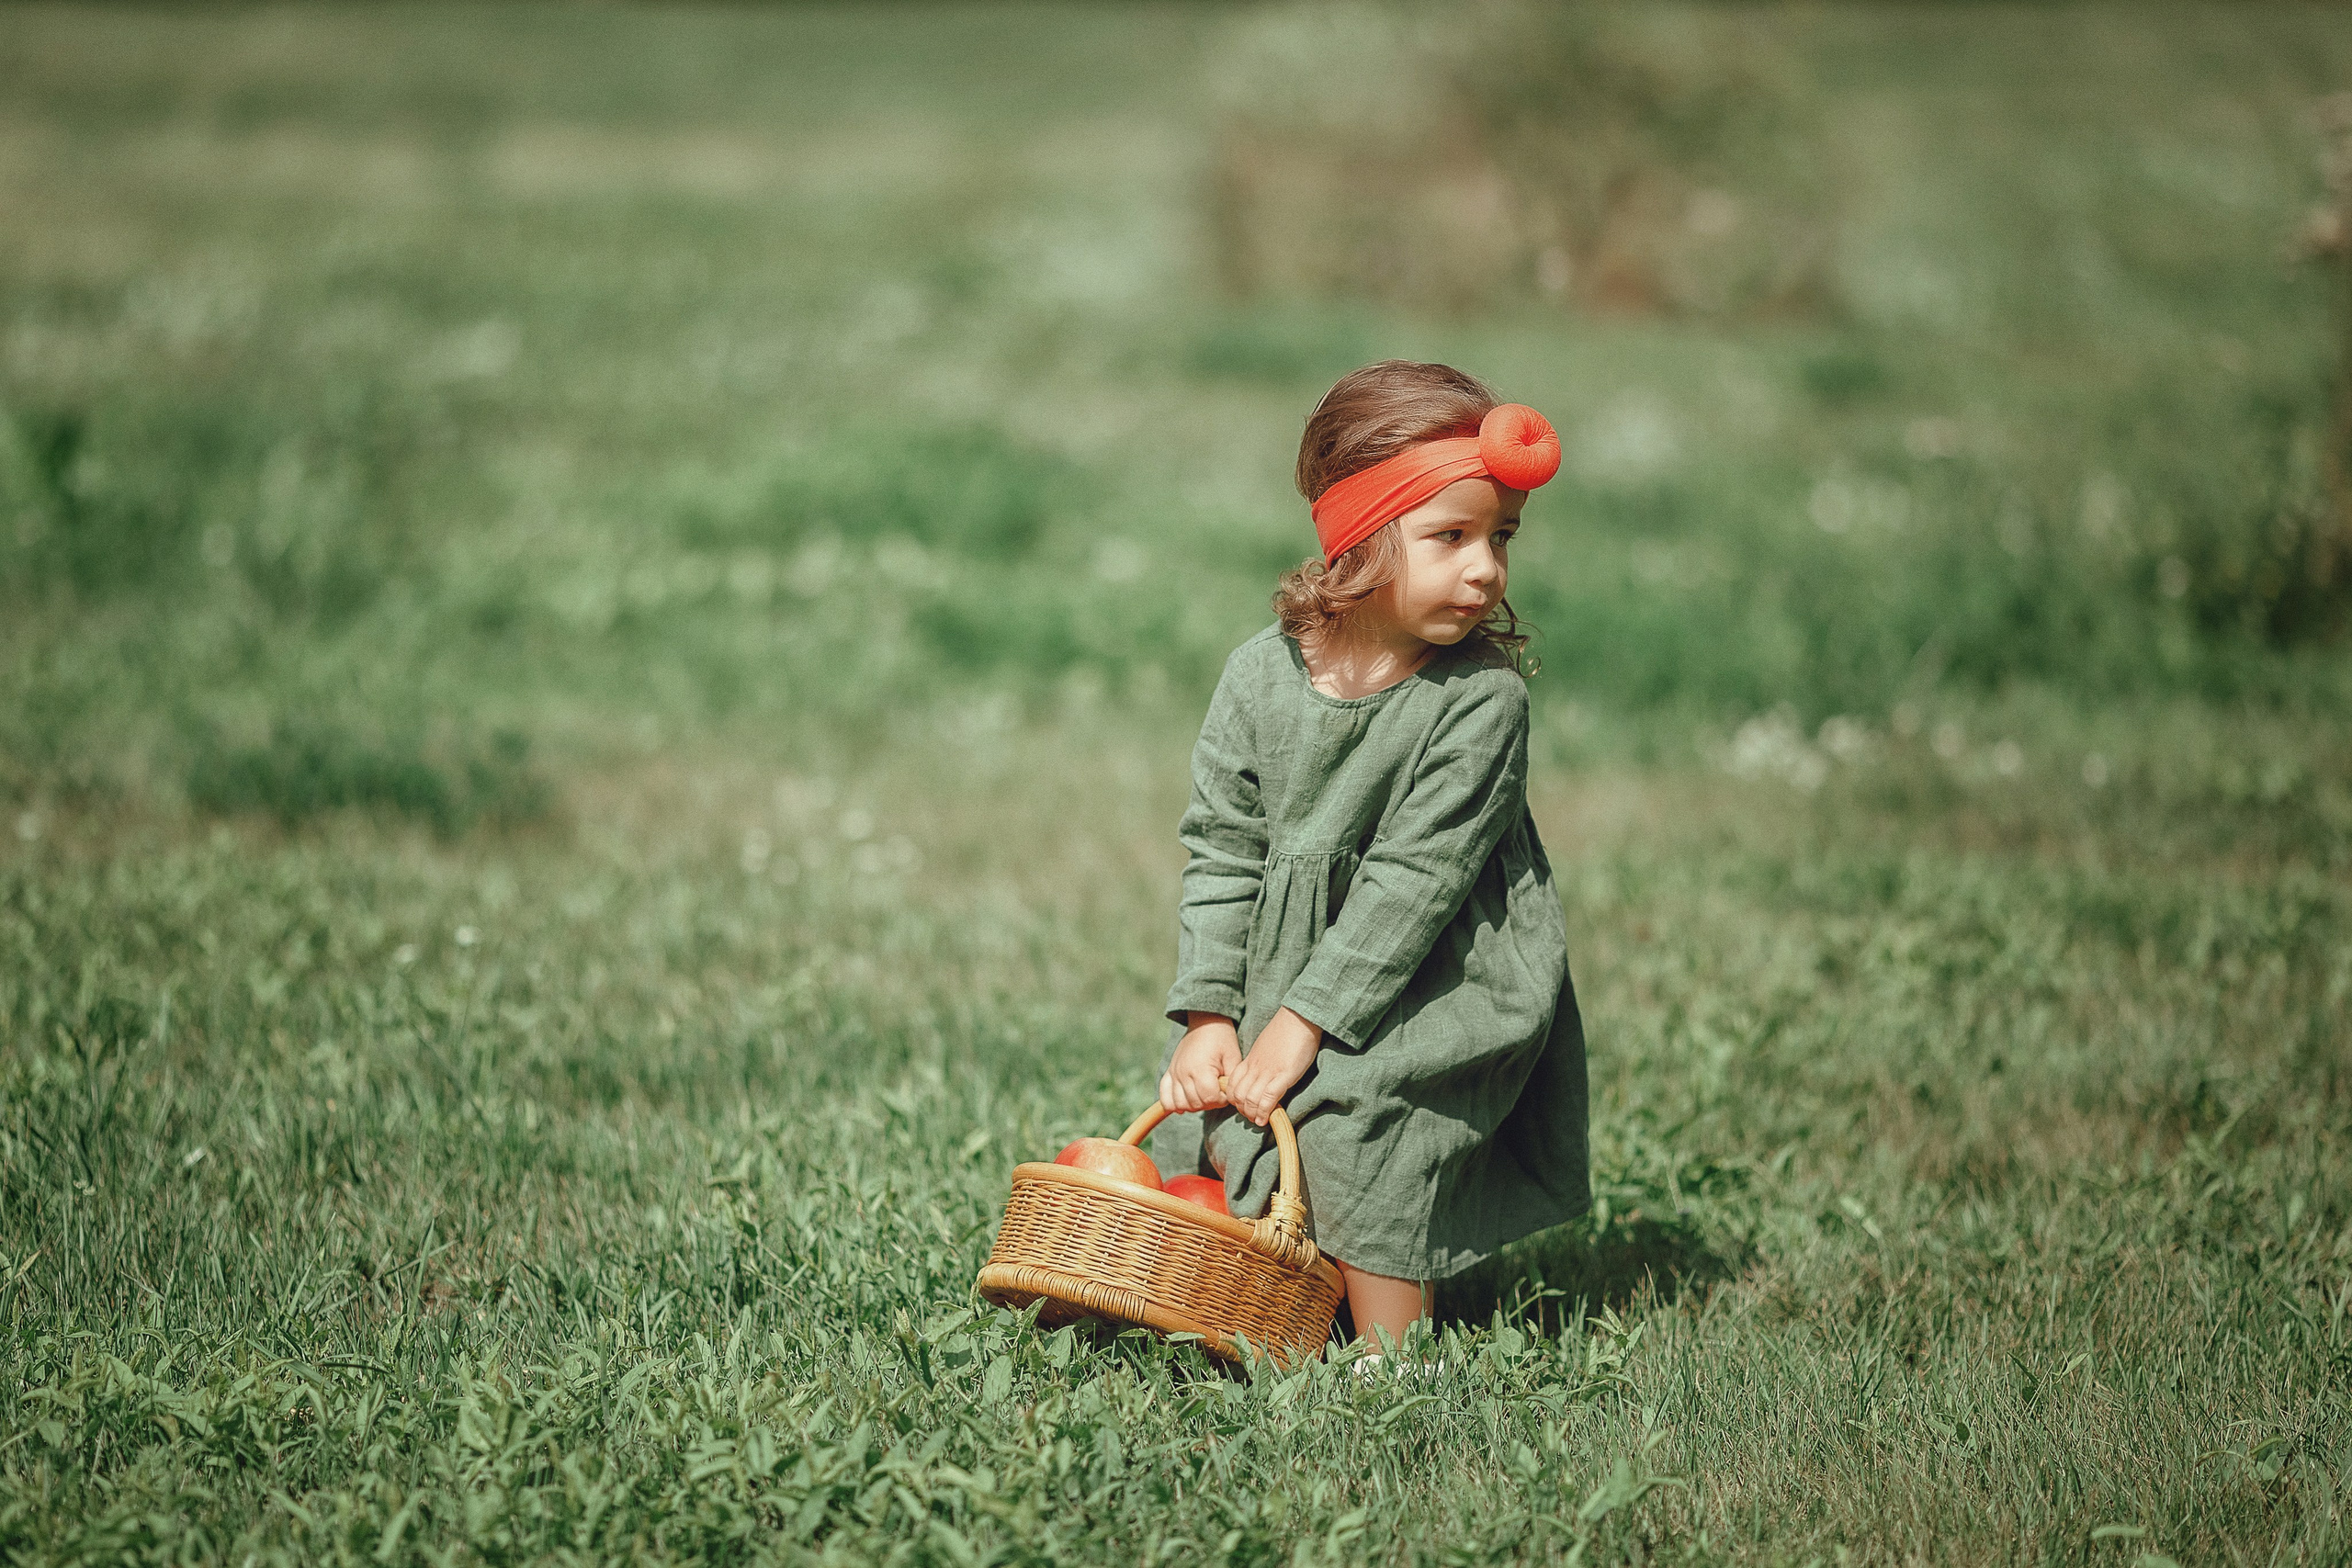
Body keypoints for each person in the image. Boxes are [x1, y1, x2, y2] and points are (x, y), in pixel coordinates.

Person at [1154, 359, 1591, 1353]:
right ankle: (1271, 1314)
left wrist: (1302, 1030)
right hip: (1291, 969)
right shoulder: (1258, 678)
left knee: (1359, 1129)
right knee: (1217, 1121)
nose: (1486, 569)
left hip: (1439, 977)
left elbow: (1412, 886)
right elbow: (1221, 848)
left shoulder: (1480, 702)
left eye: (1501, 539)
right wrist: (1212, 1015)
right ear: (1357, 539)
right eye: (1451, 537)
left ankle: (1389, 1374)